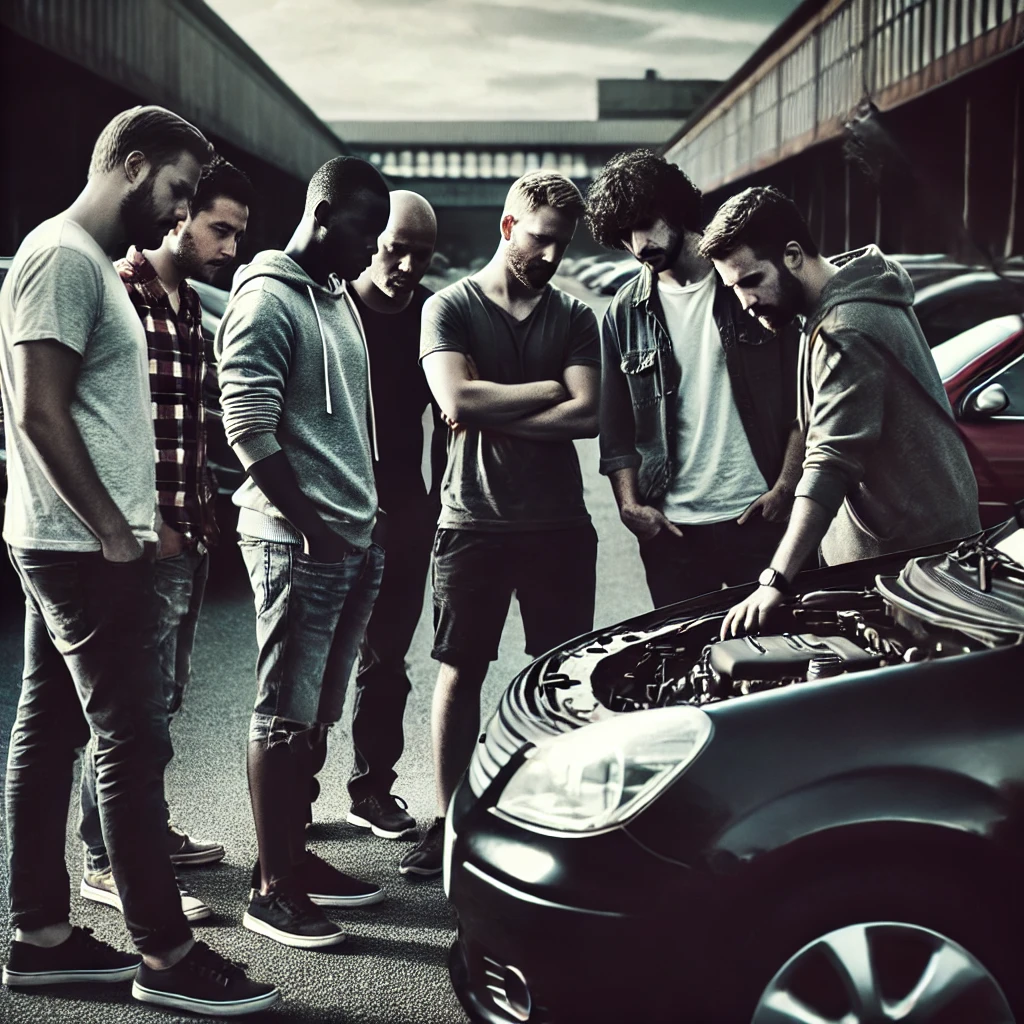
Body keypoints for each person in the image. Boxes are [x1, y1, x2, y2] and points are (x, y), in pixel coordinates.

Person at [0, 105, 278, 1015]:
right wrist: (117, 529)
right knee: (130, 739)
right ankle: (165, 954)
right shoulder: (62, 258)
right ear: (129, 163)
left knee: (50, 737)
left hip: (68, 540)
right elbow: (42, 411)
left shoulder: (73, 262)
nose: (182, 208)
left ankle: (40, 936)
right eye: (179, 188)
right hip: (80, 546)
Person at [404, 171, 601, 877]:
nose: (552, 257)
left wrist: (501, 401)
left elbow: (589, 412)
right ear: (509, 226)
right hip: (473, 520)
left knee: (562, 679)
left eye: (563, 245)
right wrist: (548, 388)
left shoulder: (576, 317)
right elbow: (456, 396)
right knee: (461, 673)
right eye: (543, 240)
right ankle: (452, 821)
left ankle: (552, 816)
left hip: (558, 524)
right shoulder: (449, 309)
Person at [217, 155, 389, 949]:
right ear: (322, 214)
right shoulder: (265, 297)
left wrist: (365, 518)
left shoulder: (337, 297)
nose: (374, 247)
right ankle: (274, 888)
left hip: (351, 536)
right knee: (282, 714)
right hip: (295, 540)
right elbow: (247, 423)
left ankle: (297, 855)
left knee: (316, 711)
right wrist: (311, 522)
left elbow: (349, 423)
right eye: (364, 229)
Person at [77, 156, 255, 923]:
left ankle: (143, 833)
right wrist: (141, 526)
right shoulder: (119, 288)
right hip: (145, 539)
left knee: (164, 699)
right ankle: (109, 860)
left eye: (240, 234)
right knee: (131, 709)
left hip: (190, 528)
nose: (233, 248)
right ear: (176, 214)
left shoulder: (186, 303)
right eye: (220, 228)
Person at [697, 186, 981, 638]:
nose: (744, 303)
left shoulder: (847, 327)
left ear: (792, 255)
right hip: (912, 559)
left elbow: (831, 461)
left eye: (751, 280)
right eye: (733, 289)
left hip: (910, 574)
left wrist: (775, 579)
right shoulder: (843, 304)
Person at [586, 149, 804, 609]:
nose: (637, 245)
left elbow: (803, 401)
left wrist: (786, 487)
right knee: (682, 670)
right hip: (673, 533)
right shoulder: (625, 312)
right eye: (623, 236)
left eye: (643, 223)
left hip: (760, 517)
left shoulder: (746, 283)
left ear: (674, 207)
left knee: (776, 663)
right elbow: (616, 426)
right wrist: (629, 506)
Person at [341, 190, 446, 839]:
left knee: (386, 661)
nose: (406, 265)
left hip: (405, 503)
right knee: (315, 660)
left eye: (420, 254)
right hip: (332, 500)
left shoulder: (434, 314)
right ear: (370, 242)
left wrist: (434, 505)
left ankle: (371, 790)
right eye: (395, 249)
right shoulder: (335, 306)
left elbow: (450, 416)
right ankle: (291, 797)